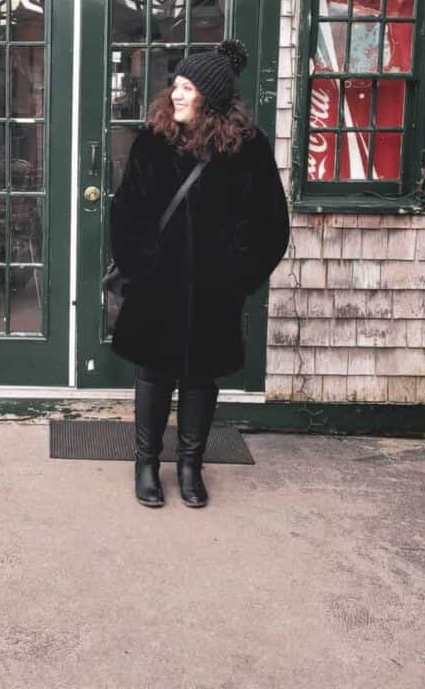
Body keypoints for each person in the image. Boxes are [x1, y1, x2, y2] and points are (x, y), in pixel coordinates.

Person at [109, 39, 290, 508]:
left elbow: (270, 224)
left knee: (200, 379)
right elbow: (127, 213)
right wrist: (141, 269)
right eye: (177, 84)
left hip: (214, 291)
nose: (176, 94)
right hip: (157, 286)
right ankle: (145, 464)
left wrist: (234, 278)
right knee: (153, 374)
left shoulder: (247, 148)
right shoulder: (154, 140)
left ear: (210, 97)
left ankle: (190, 466)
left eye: (188, 87)